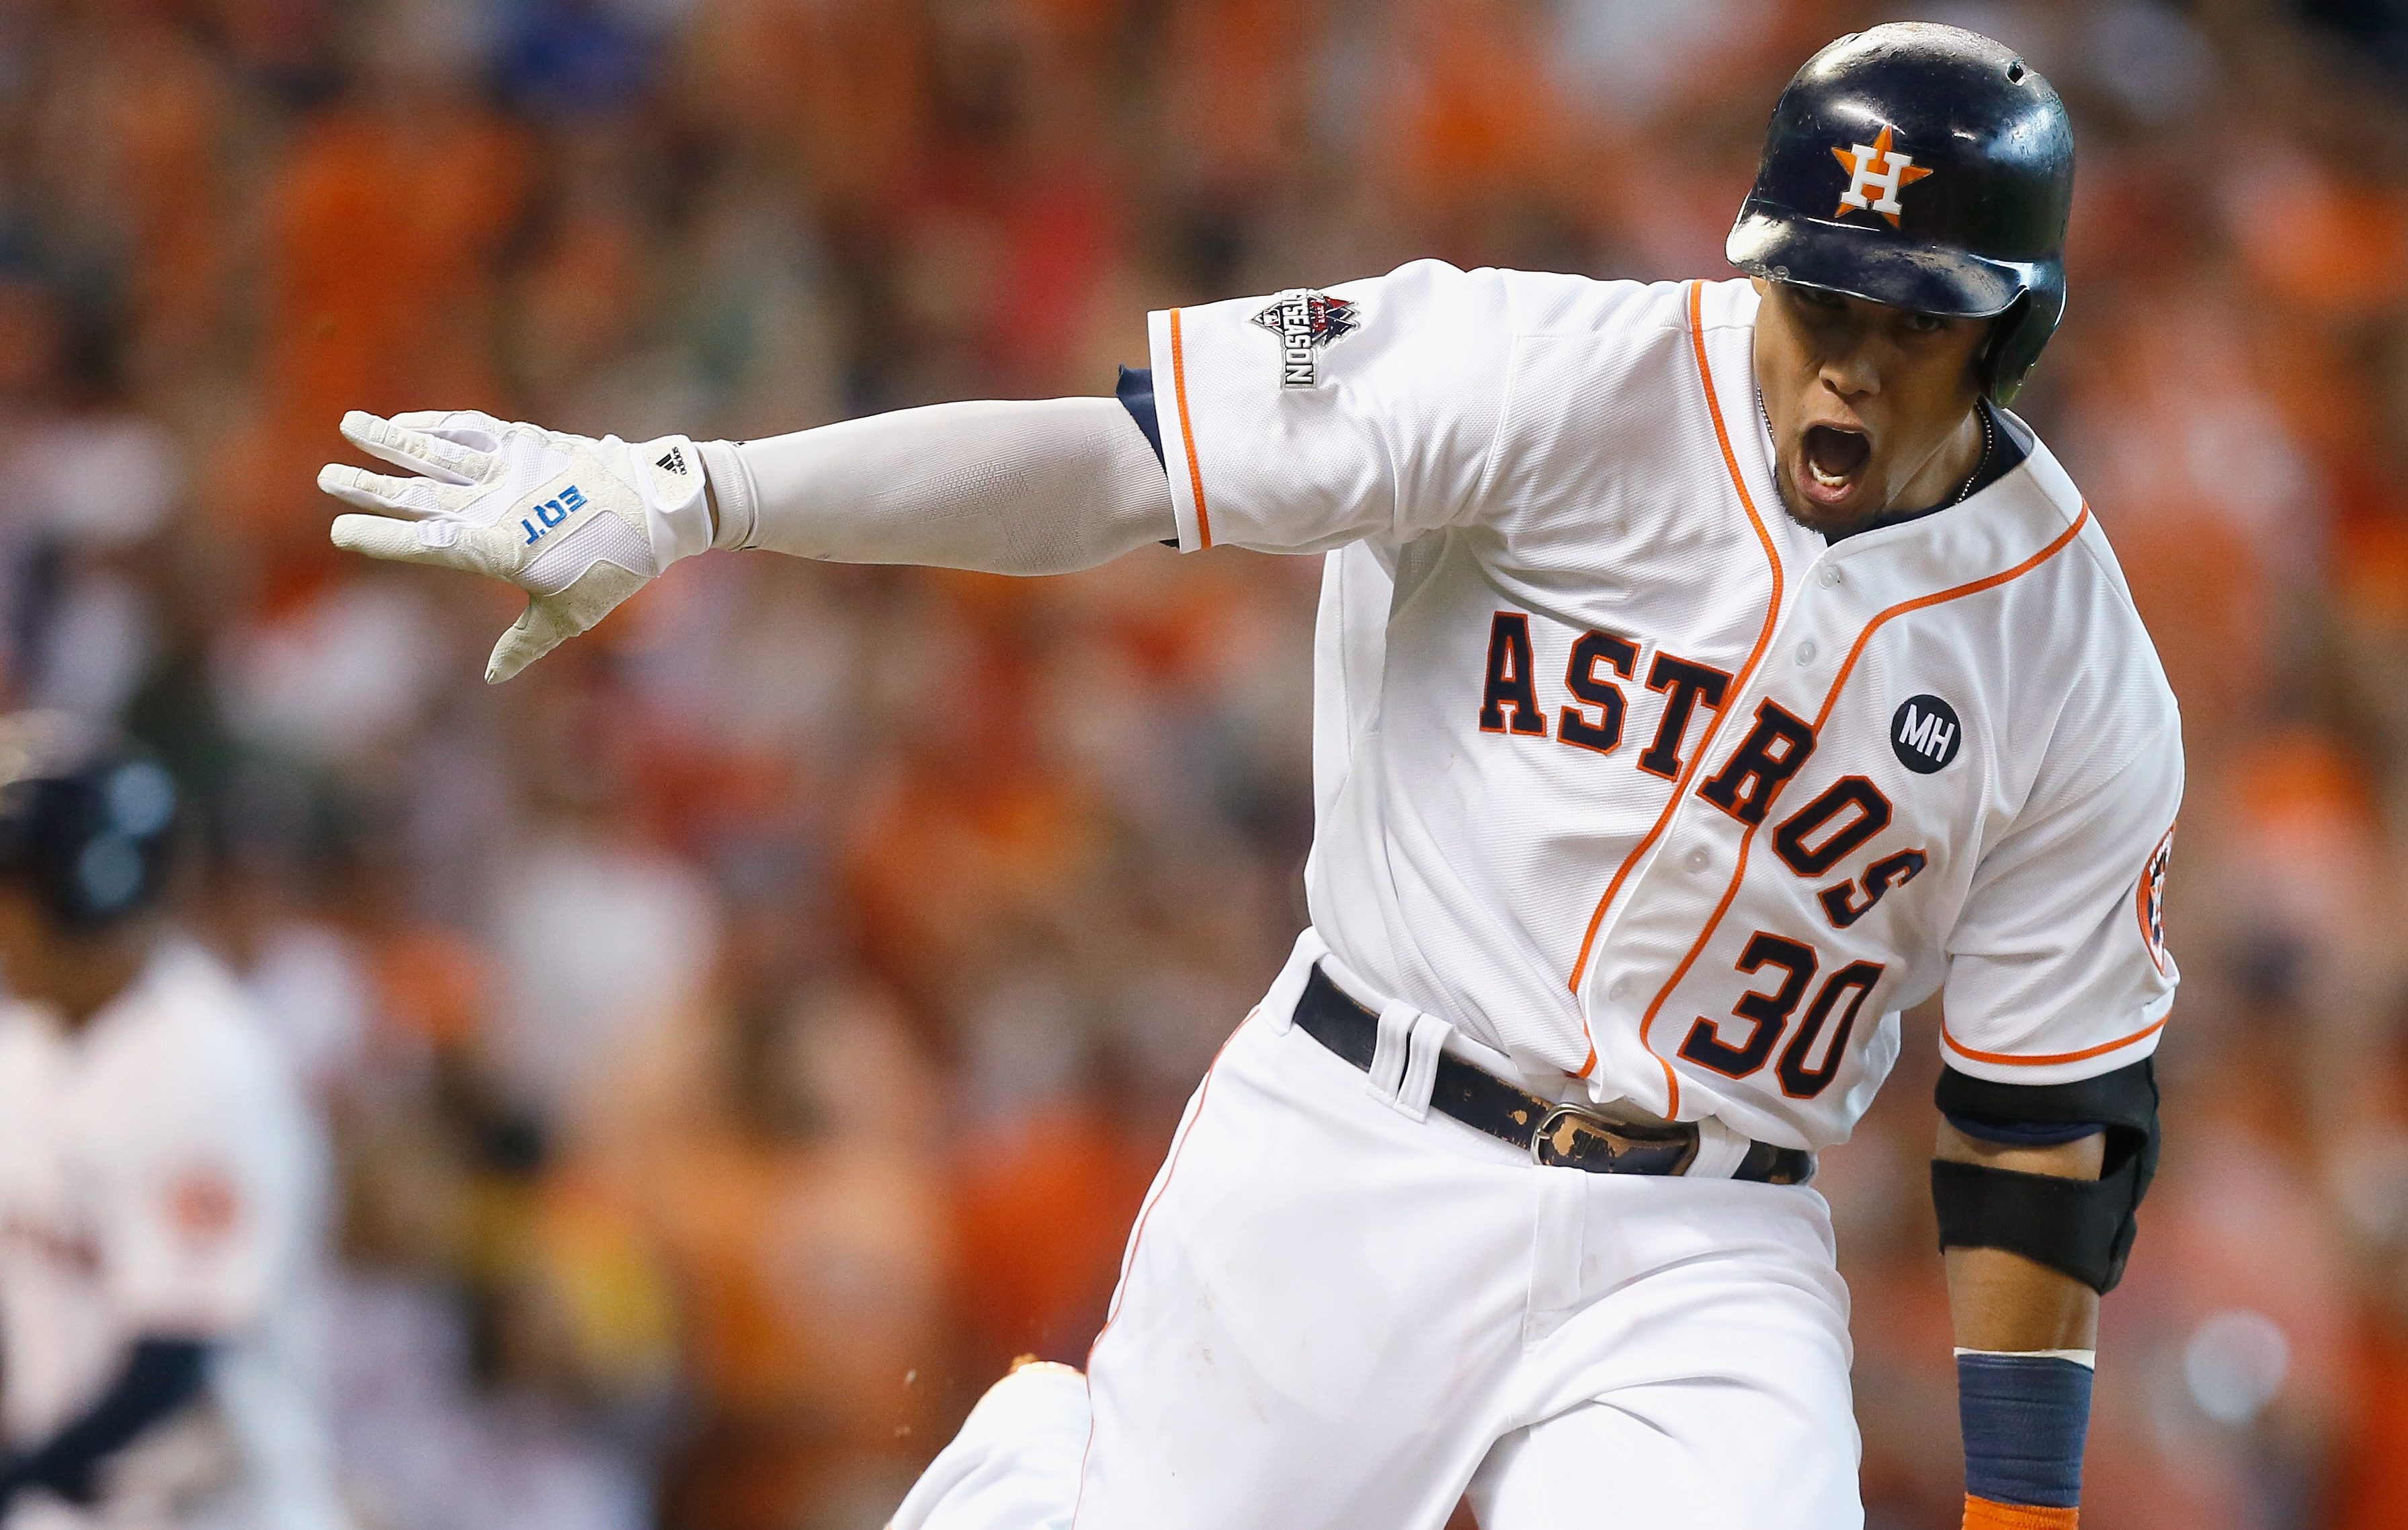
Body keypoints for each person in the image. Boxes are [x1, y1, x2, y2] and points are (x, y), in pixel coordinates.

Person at [321, 24, 2179, 1530]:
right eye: (1816, 301)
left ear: (2009, 328)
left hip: (1707, 1239)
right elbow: (1114, 470)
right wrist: (703, 489)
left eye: (1906, 319)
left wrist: (2024, 1512)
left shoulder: (2074, 667)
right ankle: (1040, 1486)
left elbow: (2037, 1134)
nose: (1842, 365)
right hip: (1356, 1135)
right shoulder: (1542, 372)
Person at [0, 715, 349, 1530]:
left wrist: (20, 1470)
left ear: (84, 887)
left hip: (219, 1507)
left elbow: (174, 1358)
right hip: (72, 1498)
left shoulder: (210, 1066)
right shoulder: (20, 1043)